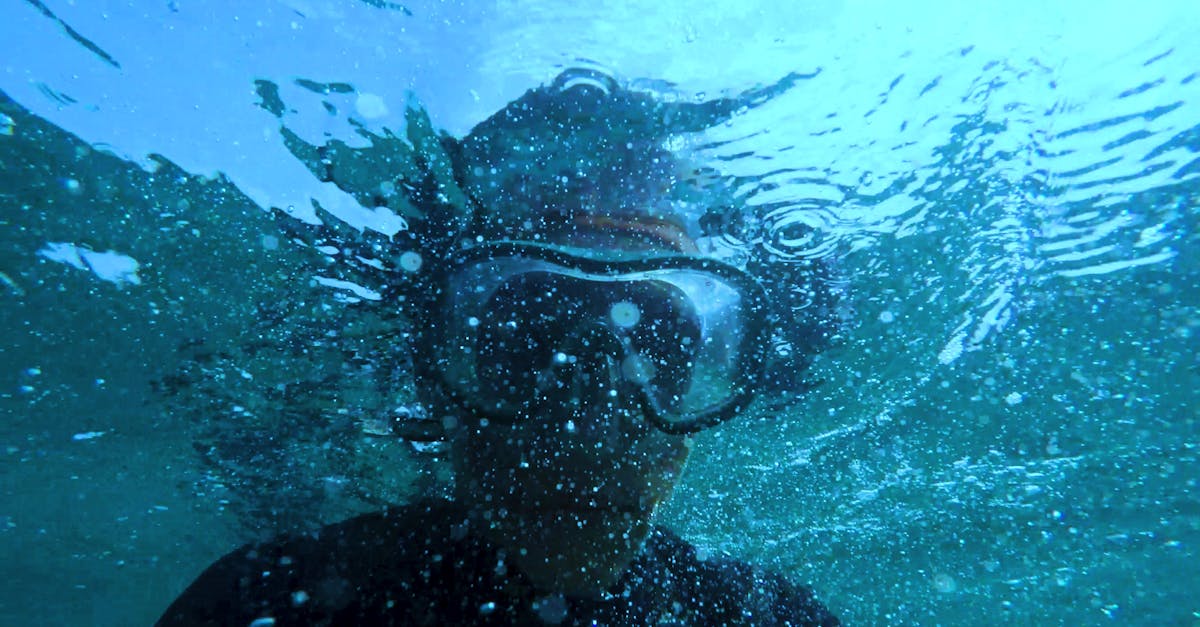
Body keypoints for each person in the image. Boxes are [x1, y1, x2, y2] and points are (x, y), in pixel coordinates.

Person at [157, 68, 840, 626]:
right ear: (434, 377)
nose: (588, 432)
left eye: (660, 348)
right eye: (526, 339)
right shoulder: (261, 605)